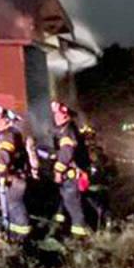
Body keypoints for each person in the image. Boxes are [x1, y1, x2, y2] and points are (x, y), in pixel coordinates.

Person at [0, 106, 37, 242]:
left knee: (16, 206)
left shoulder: (8, 135)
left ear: (7, 120)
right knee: (13, 207)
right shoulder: (9, 132)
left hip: (16, 178)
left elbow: (5, 156)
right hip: (16, 177)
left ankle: (23, 236)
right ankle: (16, 237)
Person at [50, 101, 90, 239]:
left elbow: (67, 153)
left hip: (71, 176)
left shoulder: (67, 131)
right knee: (67, 204)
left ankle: (80, 238)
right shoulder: (65, 130)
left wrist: (58, 171)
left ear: (66, 115)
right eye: (55, 114)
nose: (56, 117)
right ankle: (63, 230)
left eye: (58, 114)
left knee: (74, 207)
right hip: (70, 176)